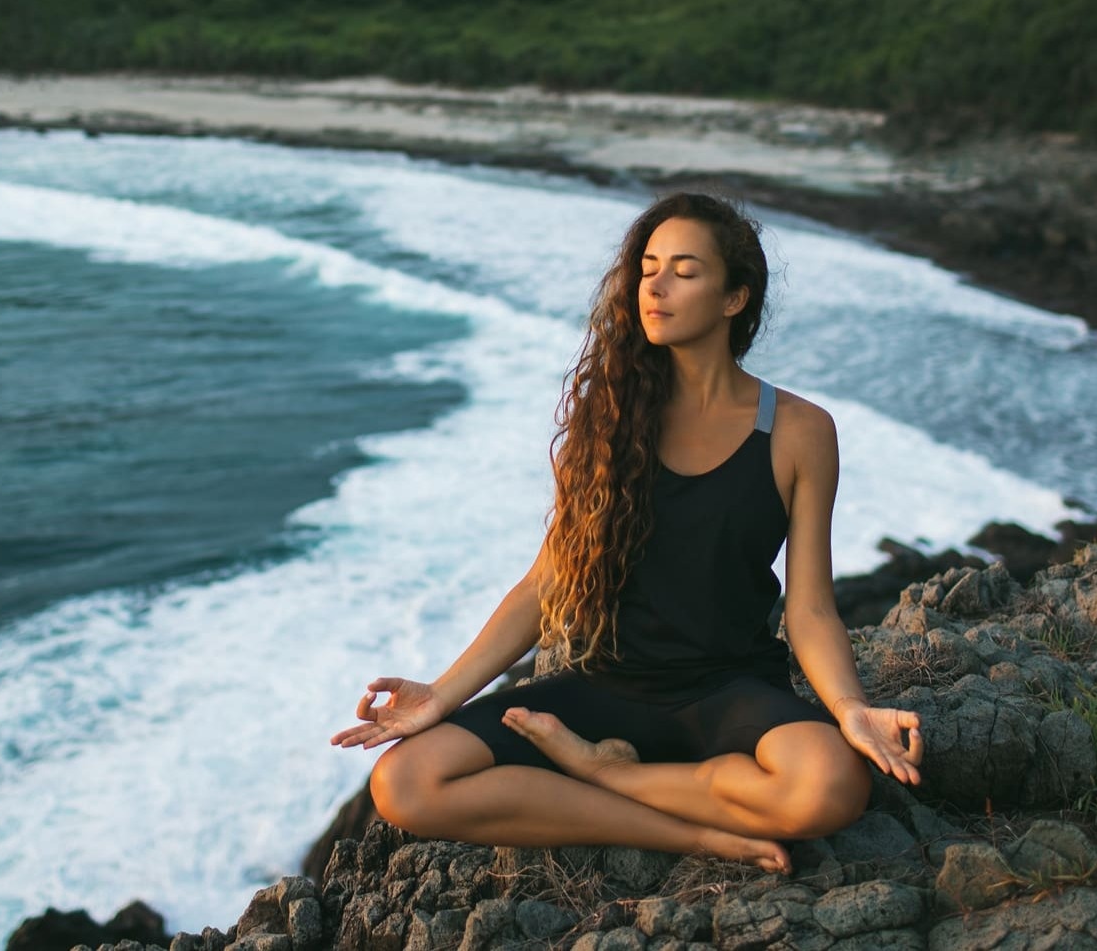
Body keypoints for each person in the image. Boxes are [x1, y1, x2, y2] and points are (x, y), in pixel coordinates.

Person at [330, 192, 924, 875]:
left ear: (734, 297)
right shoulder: (609, 419)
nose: (655, 286)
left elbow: (810, 604)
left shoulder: (798, 430)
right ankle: (693, 832)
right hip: (606, 686)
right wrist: (439, 695)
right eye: (647, 268)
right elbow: (546, 579)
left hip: (726, 690)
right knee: (404, 783)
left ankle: (604, 775)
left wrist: (849, 708)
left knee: (830, 786)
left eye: (684, 270)